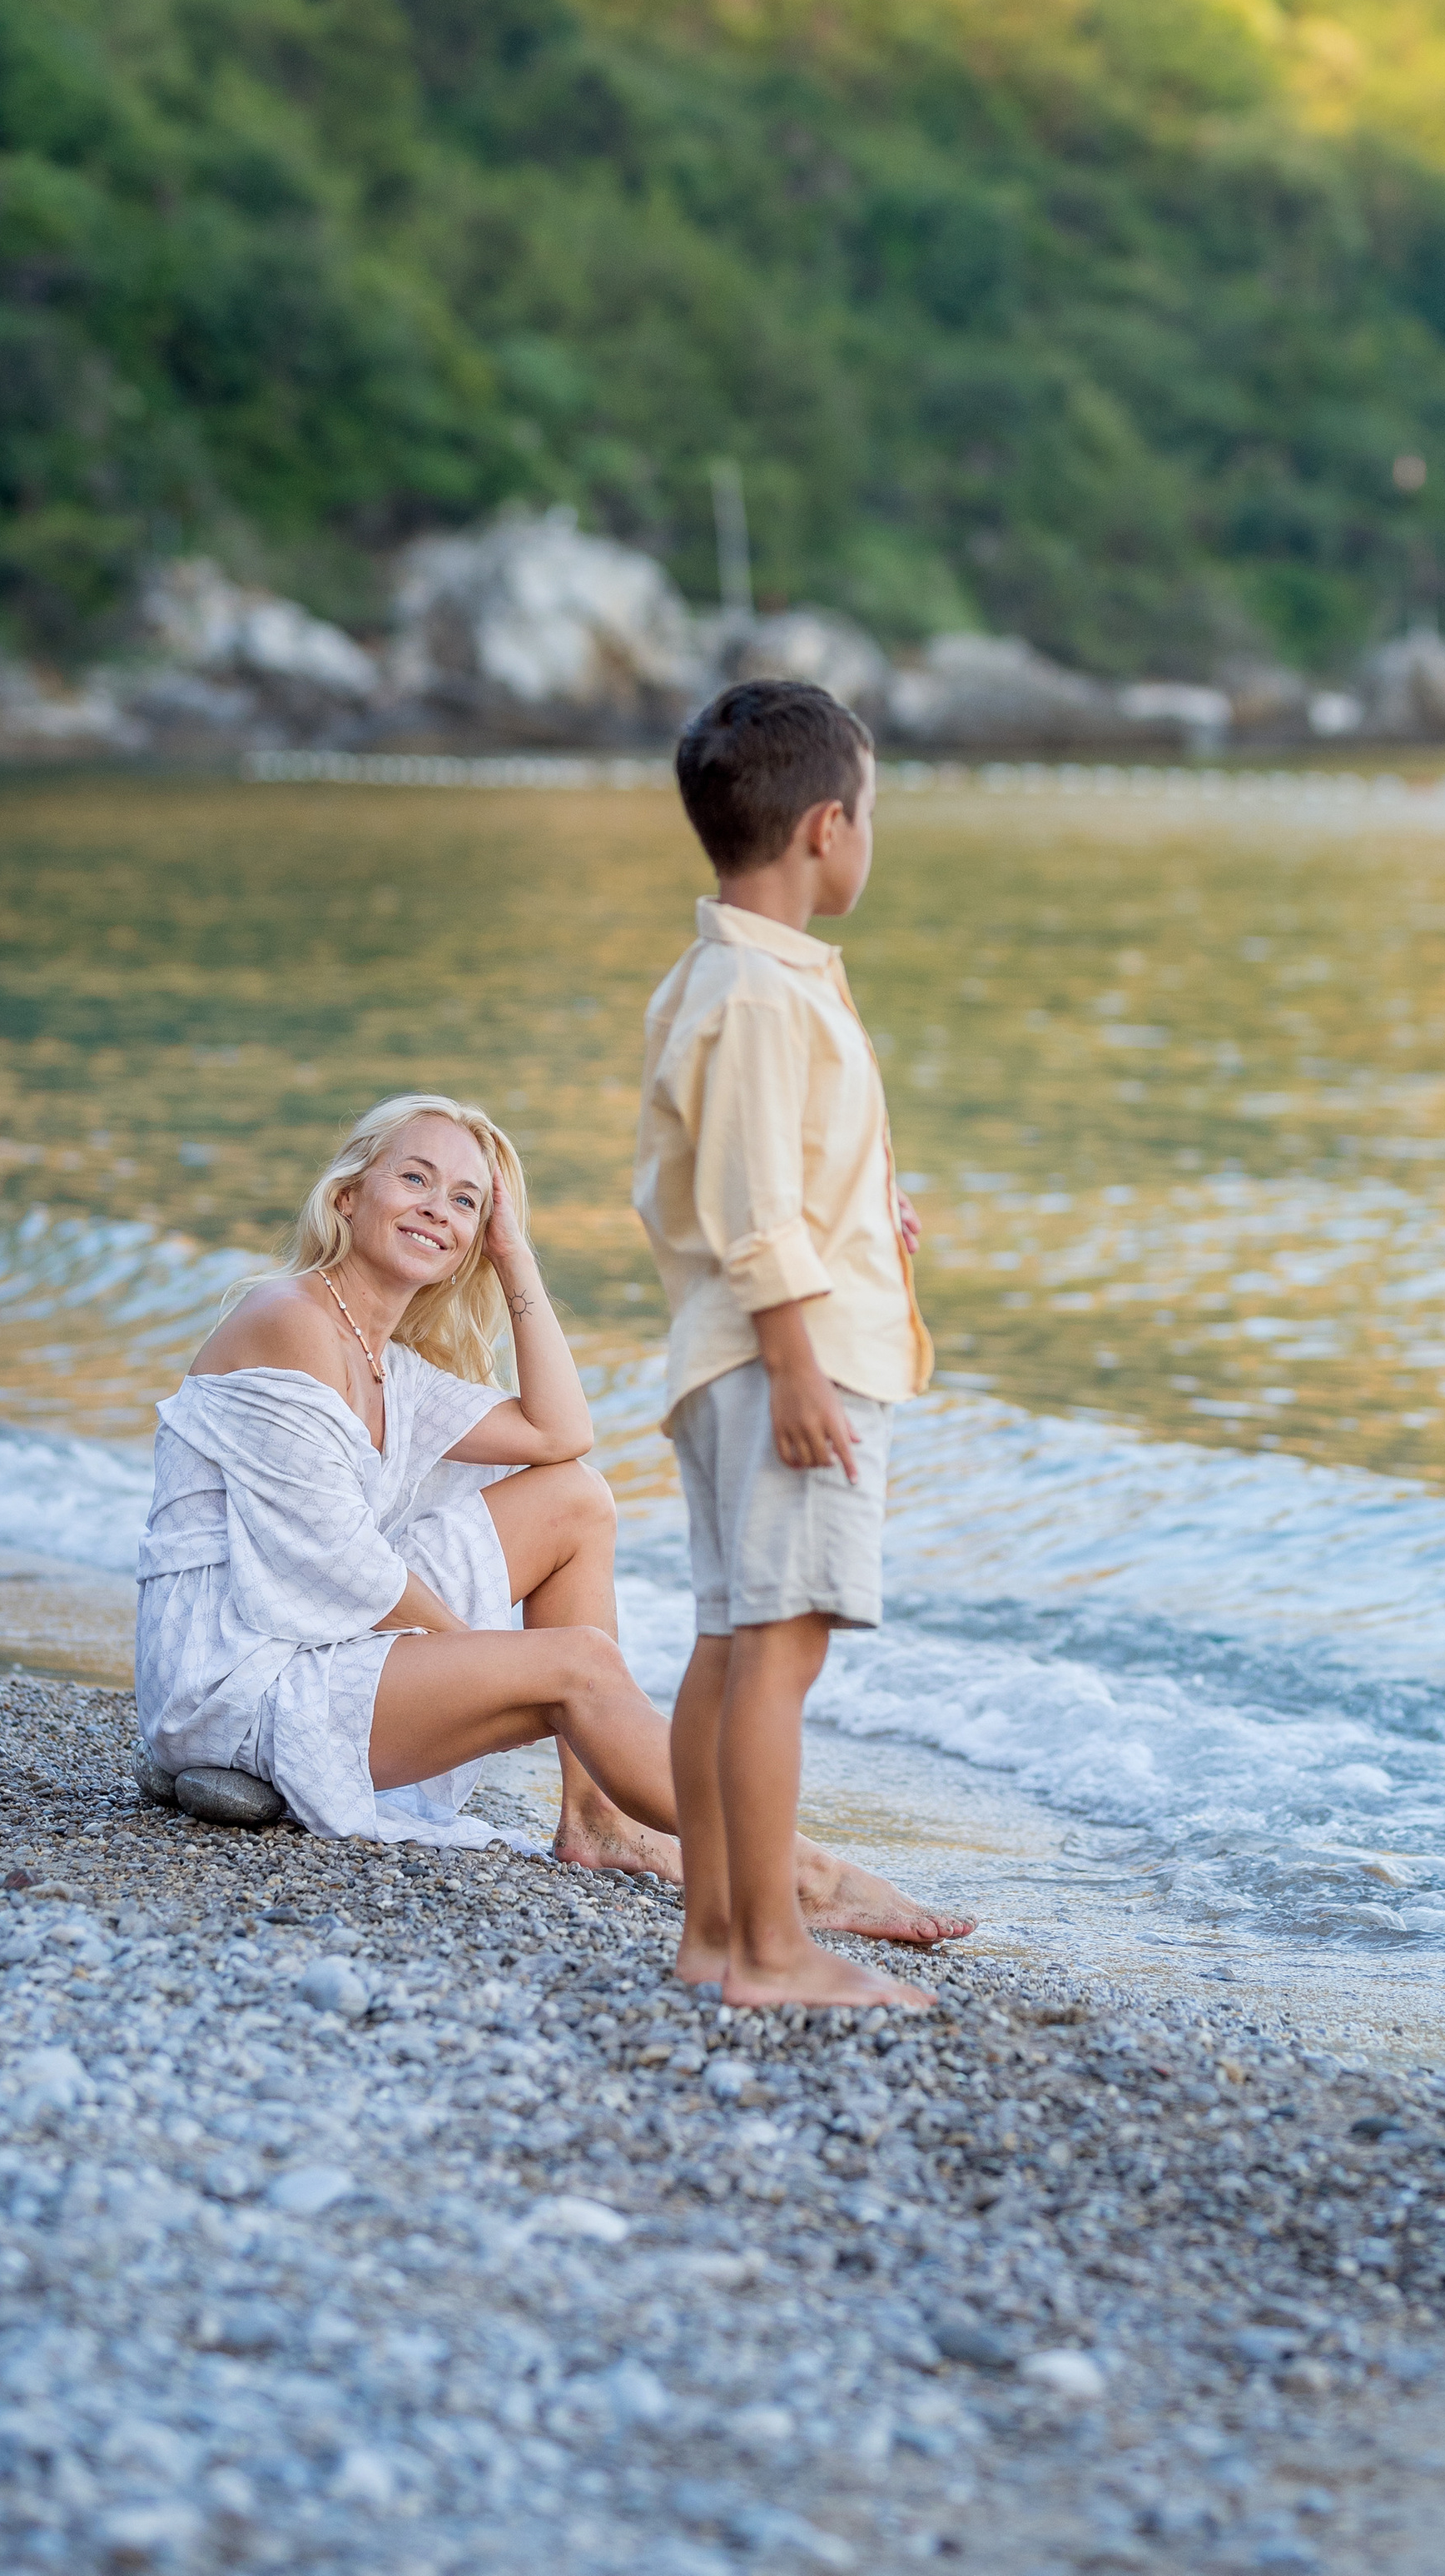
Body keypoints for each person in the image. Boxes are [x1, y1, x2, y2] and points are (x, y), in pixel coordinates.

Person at [136, 1088, 967, 1952]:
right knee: (577, 1667)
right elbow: (341, 1566)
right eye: (414, 1179)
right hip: (235, 1676)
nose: (437, 1208)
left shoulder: (388, 1362)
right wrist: (502, 1664)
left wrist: (516, 1258)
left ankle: (600, 1817)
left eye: (465, 1200)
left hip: (309, 1639)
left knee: (576, 1498)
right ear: (348, 1196)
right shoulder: (289, 1321)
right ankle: (801, 1874)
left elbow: (561, 1433)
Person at [634, 681, 941, 2012]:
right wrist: (803, 1364)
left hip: (744, 1352)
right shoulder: (761, 992)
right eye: (870, 812)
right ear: (827, 827)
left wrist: (874, 1212)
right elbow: (755, 1208)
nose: (871, 836)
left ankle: (715, 1934)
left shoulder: (729, 975)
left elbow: (759, 1177)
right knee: (778, 1652)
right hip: (781, 1363)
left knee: (732, 1639)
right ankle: (769, 1949)